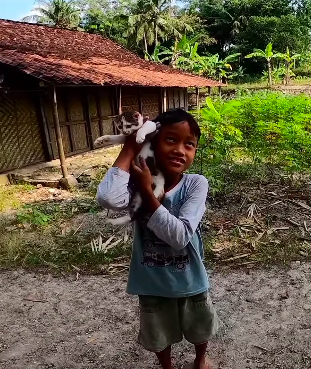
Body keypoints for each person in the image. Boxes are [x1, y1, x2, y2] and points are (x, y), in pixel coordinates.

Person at [96, 109, 218, 369]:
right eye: (171, 140)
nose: (180, 150)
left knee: (200, 329)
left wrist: (148, 198)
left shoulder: (195, 184)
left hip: (190, 278)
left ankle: (200, 359)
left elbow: (180, 236)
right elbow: (108, 198)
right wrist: (129, 149)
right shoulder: (137, 182)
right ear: (152, 140)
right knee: (158, 335)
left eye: (189, 144)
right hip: (151, 282)